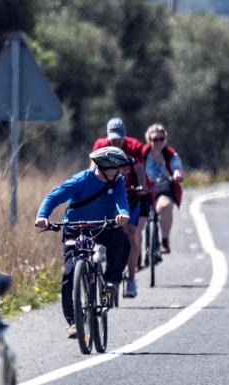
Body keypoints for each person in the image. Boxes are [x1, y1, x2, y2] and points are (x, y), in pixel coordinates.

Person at [35, 147, 132, 338]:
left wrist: (123, 214)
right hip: (74, 228)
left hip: (102, 226)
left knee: (121, 240)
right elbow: (54, 196)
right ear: (106, 167)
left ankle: (111, 282)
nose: (120, 171)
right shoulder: (82, 180)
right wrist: (42, 216)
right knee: (69, 273)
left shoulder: (118, 181)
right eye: (117, 168)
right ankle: (73, 322)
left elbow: (122, 202)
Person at [92, 118, 148, 298]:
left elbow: (138, 169)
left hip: (129, 197)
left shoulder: (132, 147)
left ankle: (131, 280)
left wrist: (142, 187)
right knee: (102, 227)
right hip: (107, 196)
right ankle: (101, 255)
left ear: (124, 135)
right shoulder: (101, 145)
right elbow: (93, 167)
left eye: (119, 138)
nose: (116, 142)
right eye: (113, 138)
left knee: (131, 232)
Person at [142, 123, 183, 254]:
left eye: (161, 139)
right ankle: (136, 256)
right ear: (149, 140)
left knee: (165, 206)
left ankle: (164, 240)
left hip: (164, 184)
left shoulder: (170, 154)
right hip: (145, 184)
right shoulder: (143, 153)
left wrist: (177, 175)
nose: (158, 142)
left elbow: (176, 167)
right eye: (155, 139)